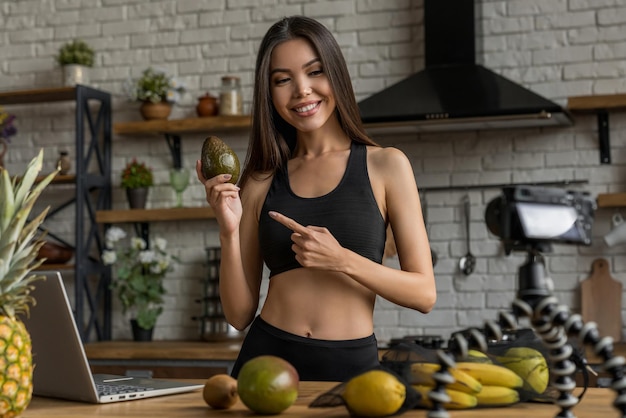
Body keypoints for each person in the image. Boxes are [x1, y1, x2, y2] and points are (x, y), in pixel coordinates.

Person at [196, 15, 436, 382]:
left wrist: (341, 260)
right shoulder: (260, 180)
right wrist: (228, 231)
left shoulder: (387, 165)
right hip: (266, 360)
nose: (302, 90)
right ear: (269, 92)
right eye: (283, 80)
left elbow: (424, 294)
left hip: (351, 366)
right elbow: (239, 315)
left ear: (336, 74)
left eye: (315, 72)